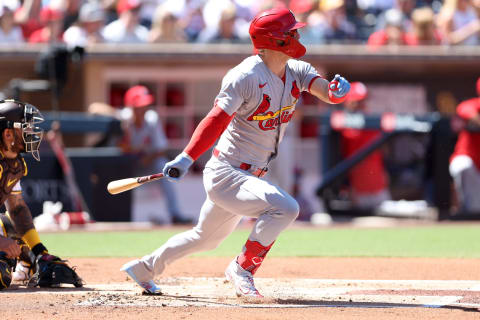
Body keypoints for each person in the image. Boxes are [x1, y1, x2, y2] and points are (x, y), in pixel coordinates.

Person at [120, 7, 350, 298]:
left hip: (250, 174)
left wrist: (336, 92)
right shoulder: (244, 76)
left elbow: (325, 92)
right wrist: (187, 157)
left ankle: (144, 268)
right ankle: (242, 269)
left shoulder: (296, 70)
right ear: (274, 40)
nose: (297, 35)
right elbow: (216, 119)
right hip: (228, 173)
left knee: (204, 238)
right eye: (291, 32)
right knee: (286, 208)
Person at [0, 99, 83, 289]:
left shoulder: (14, 164)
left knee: (9, 223)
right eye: (25, 128)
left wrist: (39, 251)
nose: (31, 132)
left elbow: (18, 209)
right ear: (7, 133)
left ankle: (28, 261)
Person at [118, 85, 191, 224]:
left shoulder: (151, 119)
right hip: (124, 164)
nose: (142, 109)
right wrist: (115, 115)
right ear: (131, 107)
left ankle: (175, 214)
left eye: (144, 105)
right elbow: (95, 108)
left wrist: (148, 158)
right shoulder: (124, 117)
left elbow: (162, 148)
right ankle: (116, 216)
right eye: (138, 106)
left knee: (162, 166)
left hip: (145, 162)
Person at [339, 82, 391, 210]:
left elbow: (385, 152)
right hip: (357, 191)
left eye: (363, 101)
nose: (362, 105)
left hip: (379, 187)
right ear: (347, 102)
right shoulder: (341, 127)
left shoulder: (373, 122)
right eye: (357, 101)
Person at [449, 77, 480, 215]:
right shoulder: (473, 105)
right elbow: (464, 109)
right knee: (462, 165)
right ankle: (465, 211)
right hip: (471, 166)